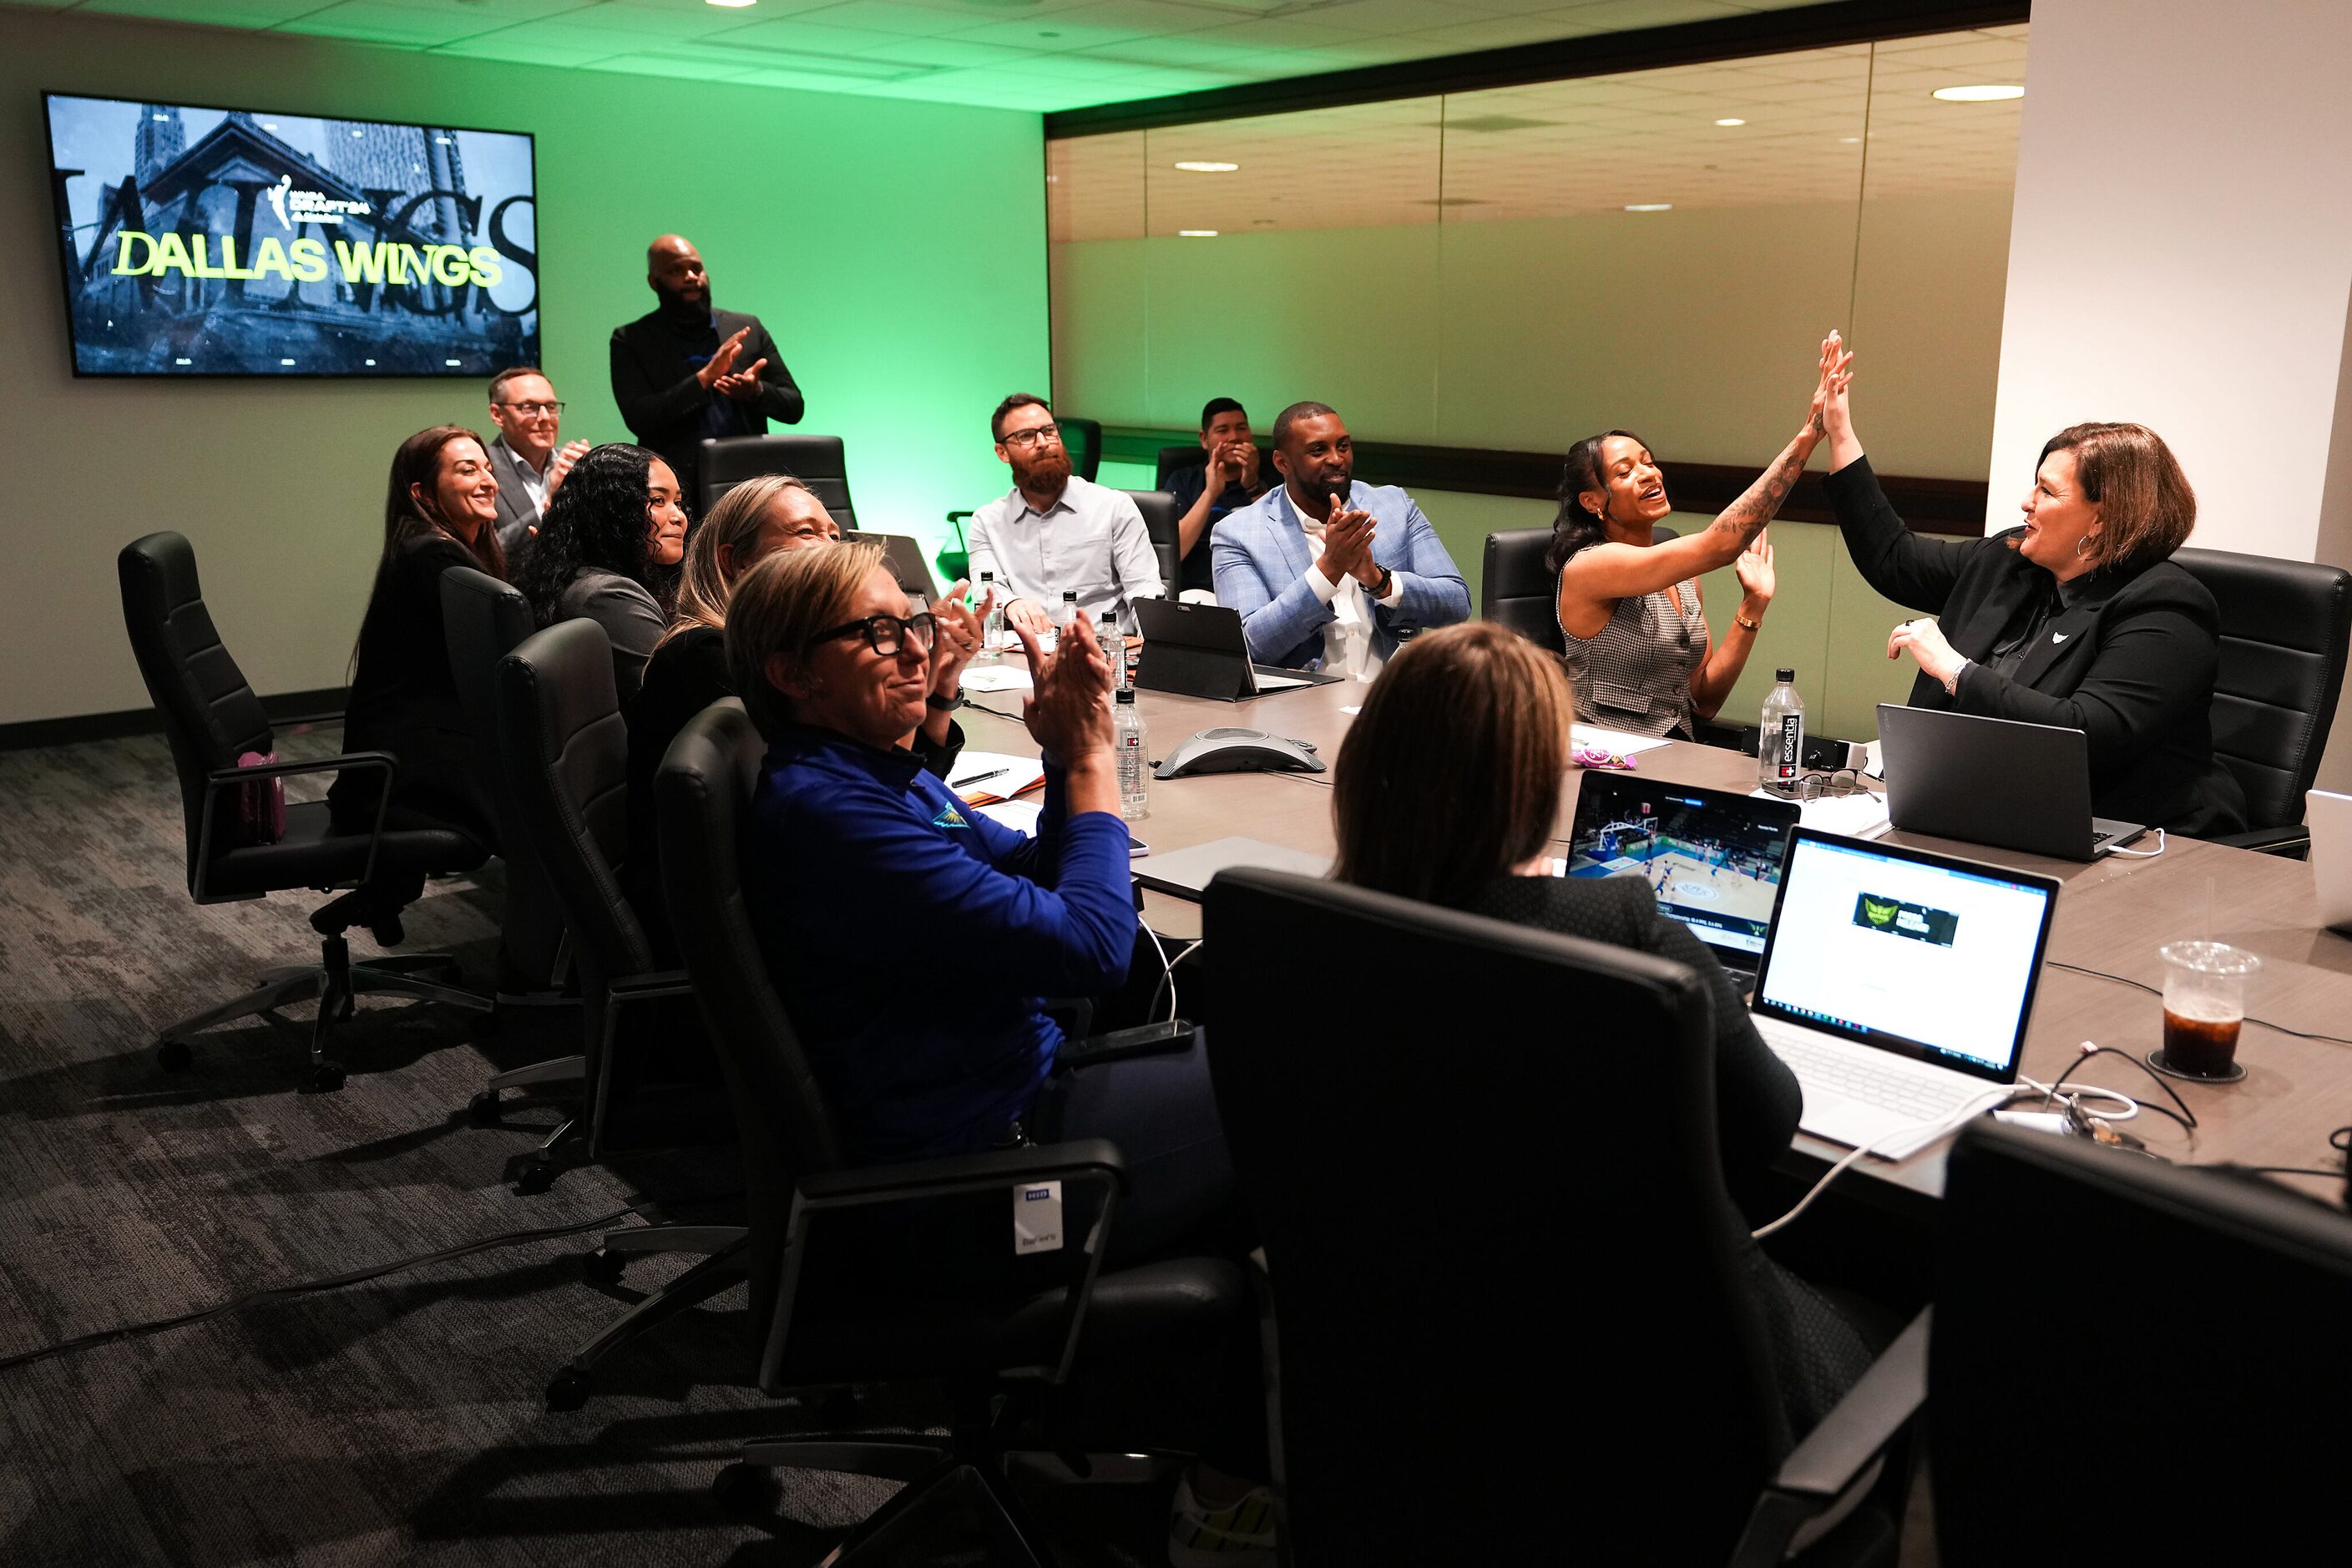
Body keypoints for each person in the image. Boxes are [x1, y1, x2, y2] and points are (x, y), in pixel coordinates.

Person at [1328, 620, 1879, 1437]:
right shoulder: (1624, 929)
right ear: (1525, 789)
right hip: (1659, 1372)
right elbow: (1769, 1123)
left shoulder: (1313, 926)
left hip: (1411, 1356)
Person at [1816, 332, 2247, 834]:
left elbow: (2085, 734)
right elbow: (1894, 558)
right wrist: (1841, 433)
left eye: (2047, 491)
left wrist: (1957, 670)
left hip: (2124, 834)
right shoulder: (2009, 562)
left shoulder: (2165, 606)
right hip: (1981, 807)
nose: (2026, 501)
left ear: (2102, 520)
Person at [623, 475, 979, 954]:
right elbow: (872, 792)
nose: (831, 548)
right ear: (735, 561)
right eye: (807, 533)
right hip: (756, 936)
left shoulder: (762, 653)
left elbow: (895, 777)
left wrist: (936, 685)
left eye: (834, 534)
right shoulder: (711, 656)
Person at [1548, 360, 1830, 739]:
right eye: (1625, 471)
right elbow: (1721, 543)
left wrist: (1753, 605)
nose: (1649, 473)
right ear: (1592, 500)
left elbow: (1704, 700)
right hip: (1606, 757)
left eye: (1648, 462)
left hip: (1677, 751)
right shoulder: (1591, 566)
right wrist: (1808, 437)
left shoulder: (1682, 579)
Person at [328, 425, 505, 857]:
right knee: (550, 811)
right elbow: (496, 655)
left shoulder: (434, 547)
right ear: (423, 494)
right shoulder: (433, 556)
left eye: (487, 467)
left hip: (421, 749)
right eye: (468, 471)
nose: (488, 481)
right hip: (408, 772)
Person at [1211, 402, 1469, 673]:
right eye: (1318, 450)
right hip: (1298, 705)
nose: (1336, 459)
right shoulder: (1238, 533)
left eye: (1343, 446)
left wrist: (1379, 580)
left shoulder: (1395, 507)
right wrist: (1328, 570)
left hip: (1390, 699)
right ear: (1282, 462)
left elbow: (1457, 604)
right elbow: (1248, 646)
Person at [609, 235, 803, 509]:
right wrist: (704, 379)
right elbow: (639, 417)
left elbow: (794, 407)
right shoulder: (632, 339)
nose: (691, 277)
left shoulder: (747, 328)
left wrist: (755, 392)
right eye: (677, 271)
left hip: (749, 484)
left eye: (696, 268)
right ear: (654, 282)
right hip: (679, 490)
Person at [968, 394, 1165, 635]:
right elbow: (985, 589)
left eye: (1049, 431)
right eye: (1026, 436)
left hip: (1103, 651)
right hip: (1027, 656)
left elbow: (1144, 590)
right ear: (1002, 452)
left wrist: (1153, 654)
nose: (1042, 442)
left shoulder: (1113, 507)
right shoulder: (987, 522)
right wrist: (1011, 603)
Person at [512, 443, 688, 706]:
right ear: (612, 511)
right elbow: (682, 695)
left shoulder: (590, 575)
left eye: (678, 502)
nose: (679, 517)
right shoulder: (607, 598)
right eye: (657, 501)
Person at [1165, 397, 1273, 595]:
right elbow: (1173, 553)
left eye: (1241, 428)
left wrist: (1253, 486)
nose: (1234, 437)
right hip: (1195, 591)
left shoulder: (1273, 476)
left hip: (1255, 590)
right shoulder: (1183, 479)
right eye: (1223, 430)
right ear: (1204, 439)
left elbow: (1281, 545)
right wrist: (1211, 492)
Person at [484, 365, 590, 557]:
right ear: (497, 415)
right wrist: (549, 502)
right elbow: (488, 551)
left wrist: (599, 485)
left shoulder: (576, 465)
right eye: (529, 408)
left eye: (550, 407)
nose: (545, 418)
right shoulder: (482, 470)